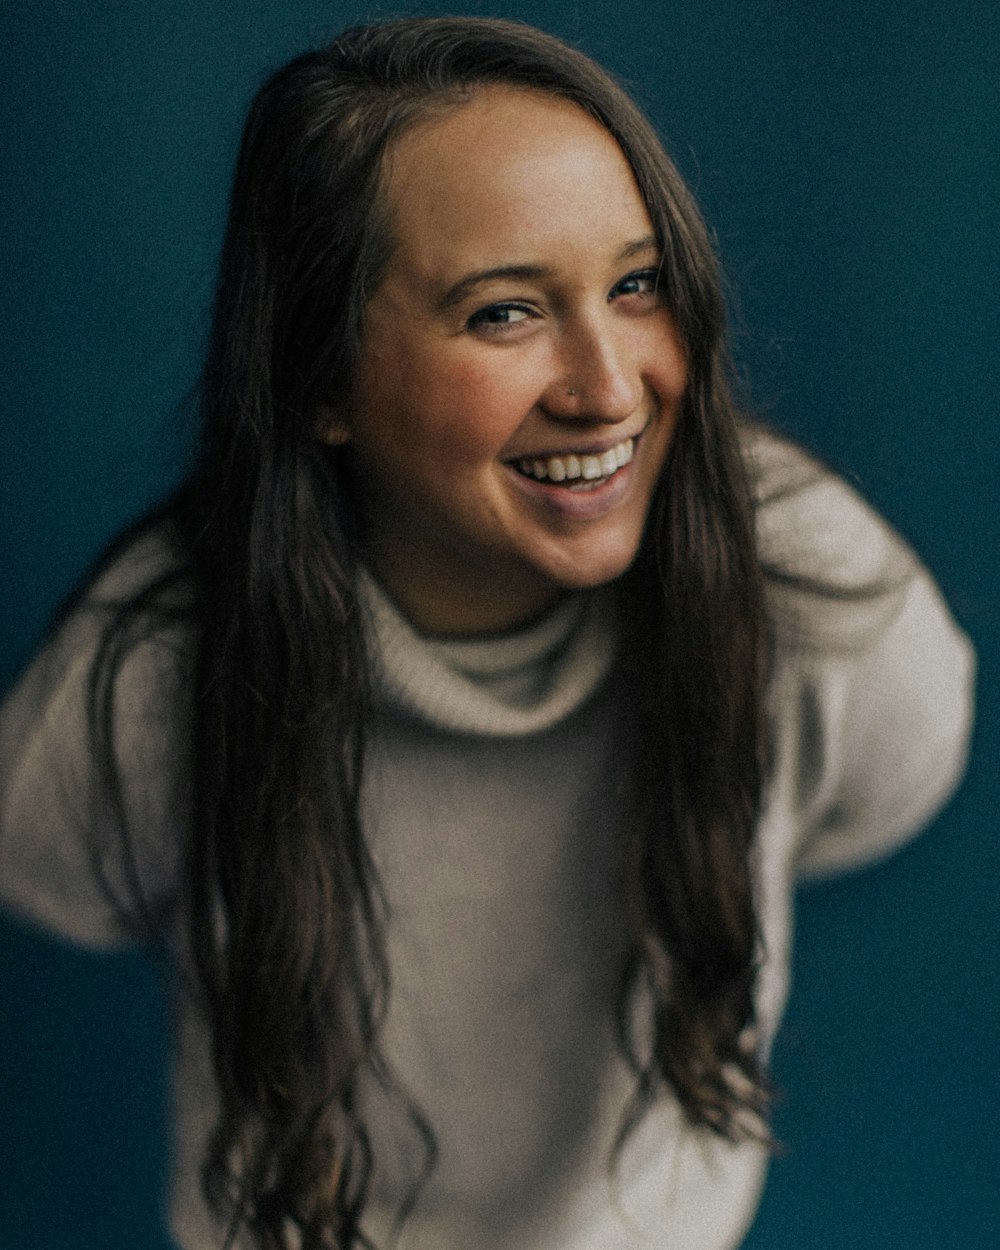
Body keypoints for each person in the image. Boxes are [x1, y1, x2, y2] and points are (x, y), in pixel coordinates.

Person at [0, 15, 975, 1250]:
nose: (607, 386)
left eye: (636, 286)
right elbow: (51, 870)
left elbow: (896, 769)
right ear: (317, 377)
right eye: (504, 313)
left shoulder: (806, 583)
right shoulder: (164, 664)